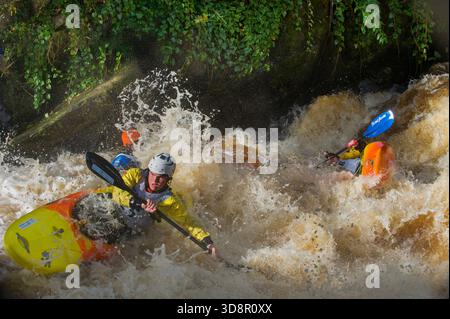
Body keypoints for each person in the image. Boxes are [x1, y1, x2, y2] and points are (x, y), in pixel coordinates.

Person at [110, 152, 219, 257]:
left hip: (133, 231)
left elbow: (188, 223)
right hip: (114, 214)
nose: (155, 180)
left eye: (161, 177)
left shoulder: (169, 200)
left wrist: (207, 242)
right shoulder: (135, 175)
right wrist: (139, 204)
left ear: (168, 179)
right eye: (153, 174)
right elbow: (117, 193)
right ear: (149, 170)